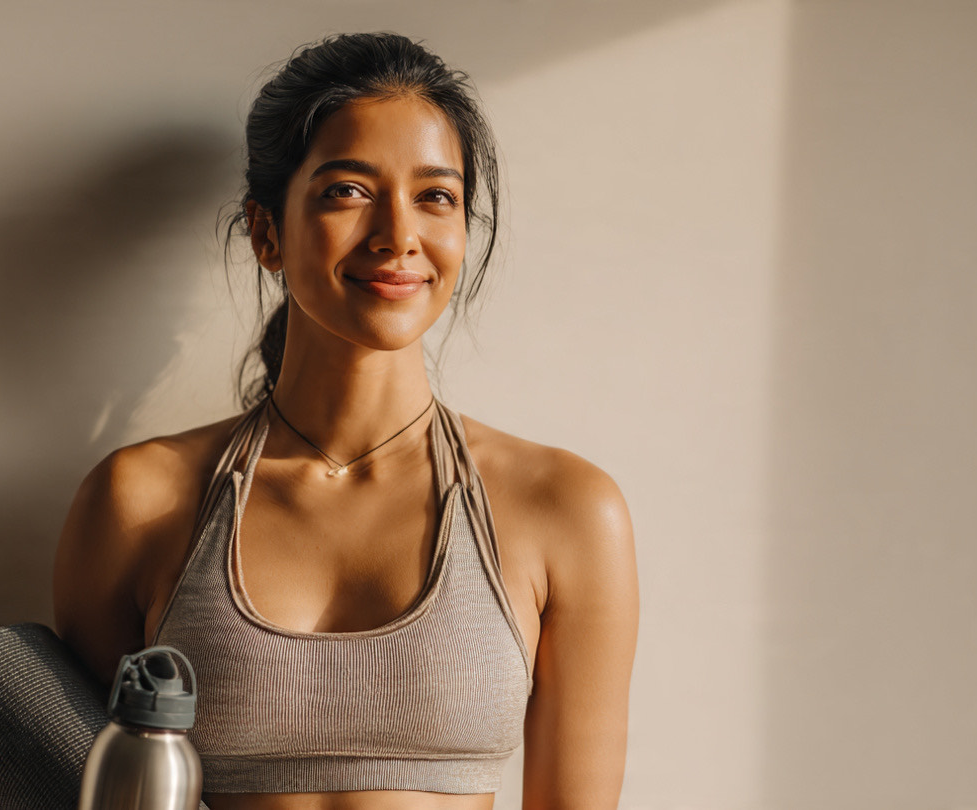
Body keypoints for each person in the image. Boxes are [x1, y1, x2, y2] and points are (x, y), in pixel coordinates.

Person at [52, 32, 639, 810]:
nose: (399, 235)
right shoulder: (138, 502)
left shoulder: (566, 509)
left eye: (435, 196)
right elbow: (68, 785)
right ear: (267, 232)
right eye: (348, 191)